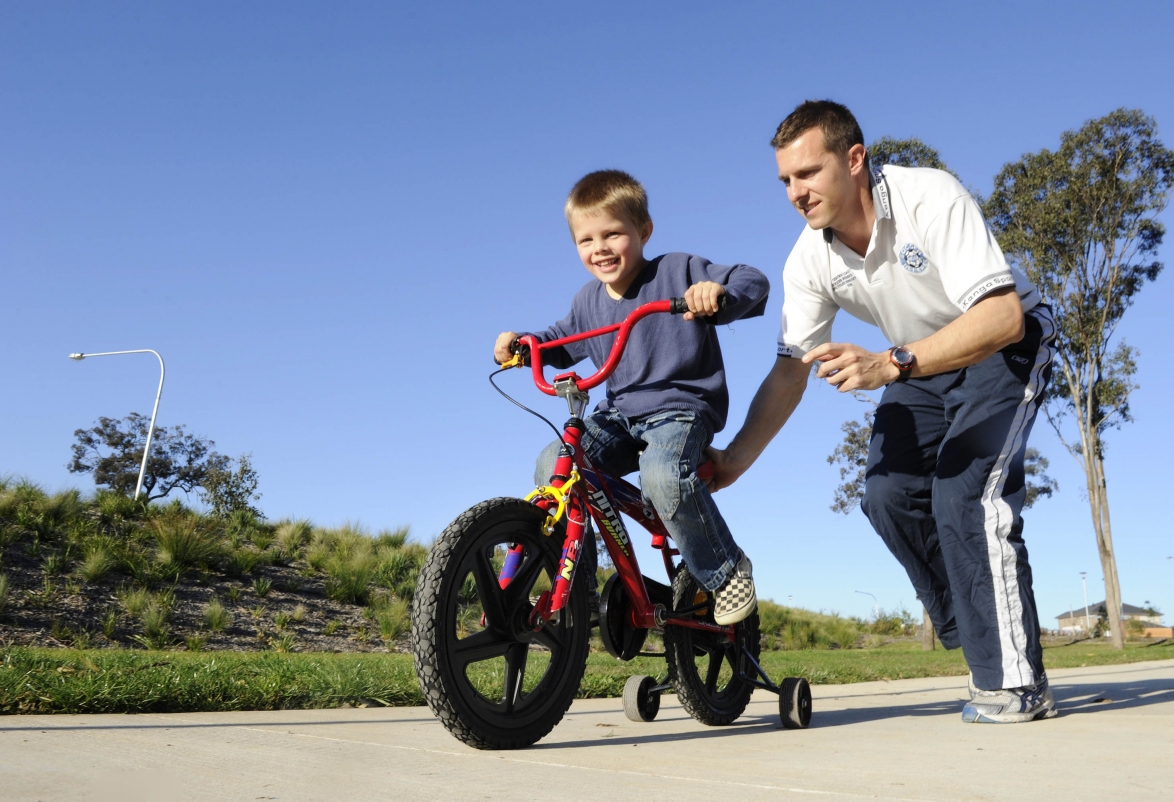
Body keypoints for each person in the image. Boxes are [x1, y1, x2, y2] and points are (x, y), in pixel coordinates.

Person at [708, 101, 1058, 722]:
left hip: (1004, 343)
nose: (796, 192)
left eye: (809, 173)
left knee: (966, 496)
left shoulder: (930, 196)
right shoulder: (808, 260)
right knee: (887, 495)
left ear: (854, 159)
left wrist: (891, 363)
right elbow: (791, 370)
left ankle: (1014, 682)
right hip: (921, 364)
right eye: (786, 180)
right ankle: (980, 629)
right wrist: (735, 459)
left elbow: (1002, 318)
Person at [494, 169, 769, 625]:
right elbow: (561, 341)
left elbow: (751, 280)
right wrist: (525, 344)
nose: (599, 248)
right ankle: (571, 576)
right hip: (620, 416)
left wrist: (718, 292)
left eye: (613, 234)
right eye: (586, 240)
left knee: (660, 474)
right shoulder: (588, 301)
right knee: (554, 463)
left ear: (643, 231)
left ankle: (724, 570)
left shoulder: (676, 270)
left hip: (680, 410)